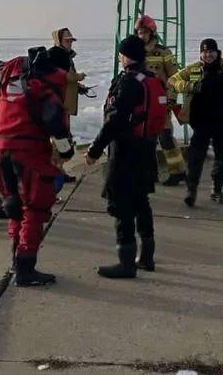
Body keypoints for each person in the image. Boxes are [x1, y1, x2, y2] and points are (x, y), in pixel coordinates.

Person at [0, 47, 75, 287]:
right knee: (35, 208)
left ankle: (15, 261)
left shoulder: (14, 70)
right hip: (28, 151)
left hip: (2, 145)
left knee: (14, 204)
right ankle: (25, 270)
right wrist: (66, 150)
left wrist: (3, 125)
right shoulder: (49, 82)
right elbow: (54, 122)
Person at [86, 35, 164, 278]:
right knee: (141, 201)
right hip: (146, 148)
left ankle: (126, 263)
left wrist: (95, 150)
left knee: (121, 205)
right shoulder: (150, 78)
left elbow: (114, 121)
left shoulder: (129, 82)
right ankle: (147, 257)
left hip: (126, 151)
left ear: (125, 55)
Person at [169, 38, 223, 207]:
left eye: (211, 52)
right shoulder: (193, 69)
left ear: (217, 52)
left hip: (222, 121)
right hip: (200, 122)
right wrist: (190, 86)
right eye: (204, 52)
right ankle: (191, 191)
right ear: (201, 54)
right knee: (195, 158)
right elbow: (172, 81)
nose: (208, 55)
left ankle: (217, 190)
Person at [133, 14, 187, 187]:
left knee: (165, 137)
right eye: (139, 32)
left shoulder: (164, 52)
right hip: (140, 103)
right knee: (142, 140)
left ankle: (178, 172)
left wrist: (171, 99)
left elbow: (174, 77)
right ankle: (147, 174)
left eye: (144, 32)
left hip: (160, 102)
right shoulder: (133, 52)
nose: (142, 35)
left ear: (152, 32)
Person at [48, 28, 94, 181]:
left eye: (71, 40)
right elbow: (60, 76)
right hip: (58, 103)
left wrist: (79, 88)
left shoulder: (65, 56)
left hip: (64, 103)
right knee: (61, 138)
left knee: (62, 137)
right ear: (58, 40)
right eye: (67, 40)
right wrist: (77, 77)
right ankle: (56, 171)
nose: (70, 43)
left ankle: (58, 170)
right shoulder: (56, 54)